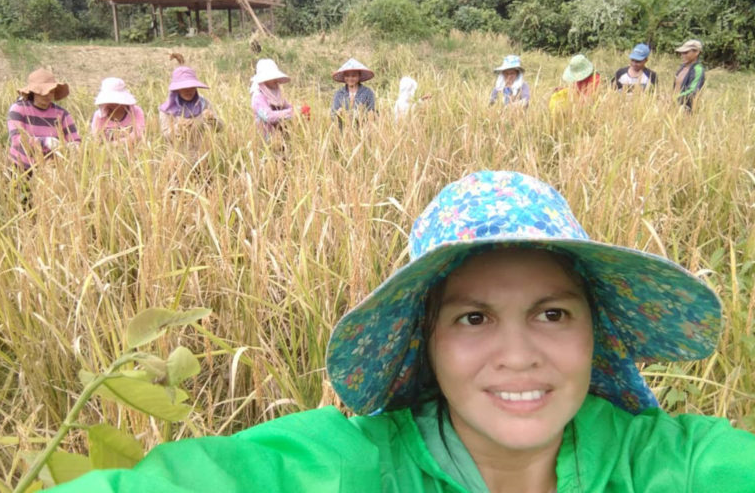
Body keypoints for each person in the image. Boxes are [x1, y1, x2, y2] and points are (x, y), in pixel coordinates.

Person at [51, 170, 755, 493]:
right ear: (429, 341)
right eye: (473, 318)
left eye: (553, 313)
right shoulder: (354, 468)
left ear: (595, 333)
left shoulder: (669, 467)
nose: (519, 356)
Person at [7, 68, 80, 171]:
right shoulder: (18, 109)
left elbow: (75, 139)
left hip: (51, 170)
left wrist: (72, 147)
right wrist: (44, 141)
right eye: (42, 92)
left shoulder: (62, 114)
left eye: (50, 91)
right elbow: (16, 139)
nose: (47, 95)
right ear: (33, 92)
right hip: (22, 168)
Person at [158, 66, 223, 140]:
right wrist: (179, 127)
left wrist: (212, 120)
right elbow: (165, 136)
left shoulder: (204, 104)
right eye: (184, 88)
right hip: (179, 150)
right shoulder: (167, 109)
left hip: (203, 149)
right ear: (177, 89)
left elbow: (220, 128)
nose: (188, 91)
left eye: (191, 87)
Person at [90, 77, 145, 144]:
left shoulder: (136, 112)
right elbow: (97, 138)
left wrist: (117, 144)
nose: (113, 103)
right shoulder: (99, 116)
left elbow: (138, 134)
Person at [250, 58, 293, 141]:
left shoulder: (275, 93)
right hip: (266, 141)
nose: (275, 80)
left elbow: (286, 105)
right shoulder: (258, 97)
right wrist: (291, 113)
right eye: (272, 78)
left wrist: (299, 110)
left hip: (280, 137)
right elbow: (268, 116)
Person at [330, 58, 376, 130]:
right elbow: (333, 114)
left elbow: (372, 113)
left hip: (362, 131)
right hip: (343, 131)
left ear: (359, 76)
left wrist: (359, 115)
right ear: (344, 77)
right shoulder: (339, 94)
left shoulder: (367, 92)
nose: (350, 78)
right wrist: (339, 113)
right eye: (347, 76)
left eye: (354, 76)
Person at [674, 39, 705, 111]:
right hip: (675, 107)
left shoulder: (698, 69)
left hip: (687, 109)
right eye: (681, 53)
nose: (682, 55)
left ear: (697, 52)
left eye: (686, 53)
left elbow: (693, 91)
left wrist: (675, 98)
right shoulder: (682, 68)